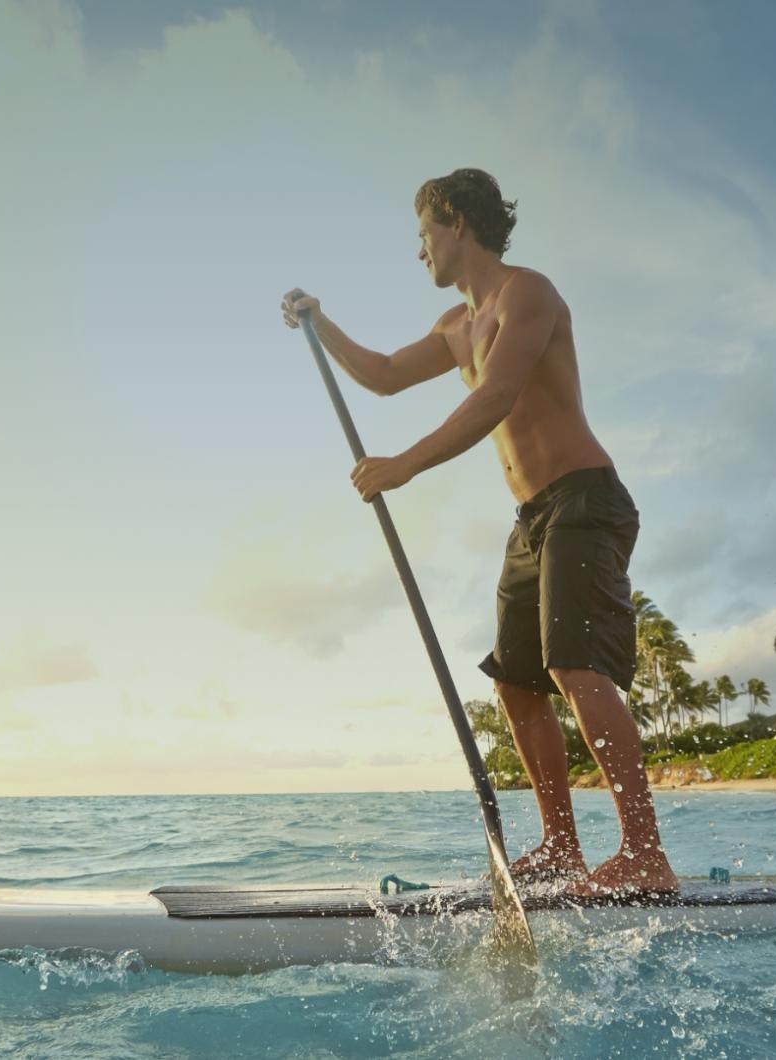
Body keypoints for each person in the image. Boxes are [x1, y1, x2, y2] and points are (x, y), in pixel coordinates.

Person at [279, 168, 676, 897]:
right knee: (517, 687)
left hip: (586, 500)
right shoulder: (454, 326)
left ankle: (645, 853)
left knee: (574, 667)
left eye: (423, 234)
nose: (419, 251)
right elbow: (385, 374)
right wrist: (319, 321)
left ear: (457, 222)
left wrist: (402, 466)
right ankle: (561, 847)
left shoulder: (528, 293)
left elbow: (498, 395)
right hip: (531, 519)